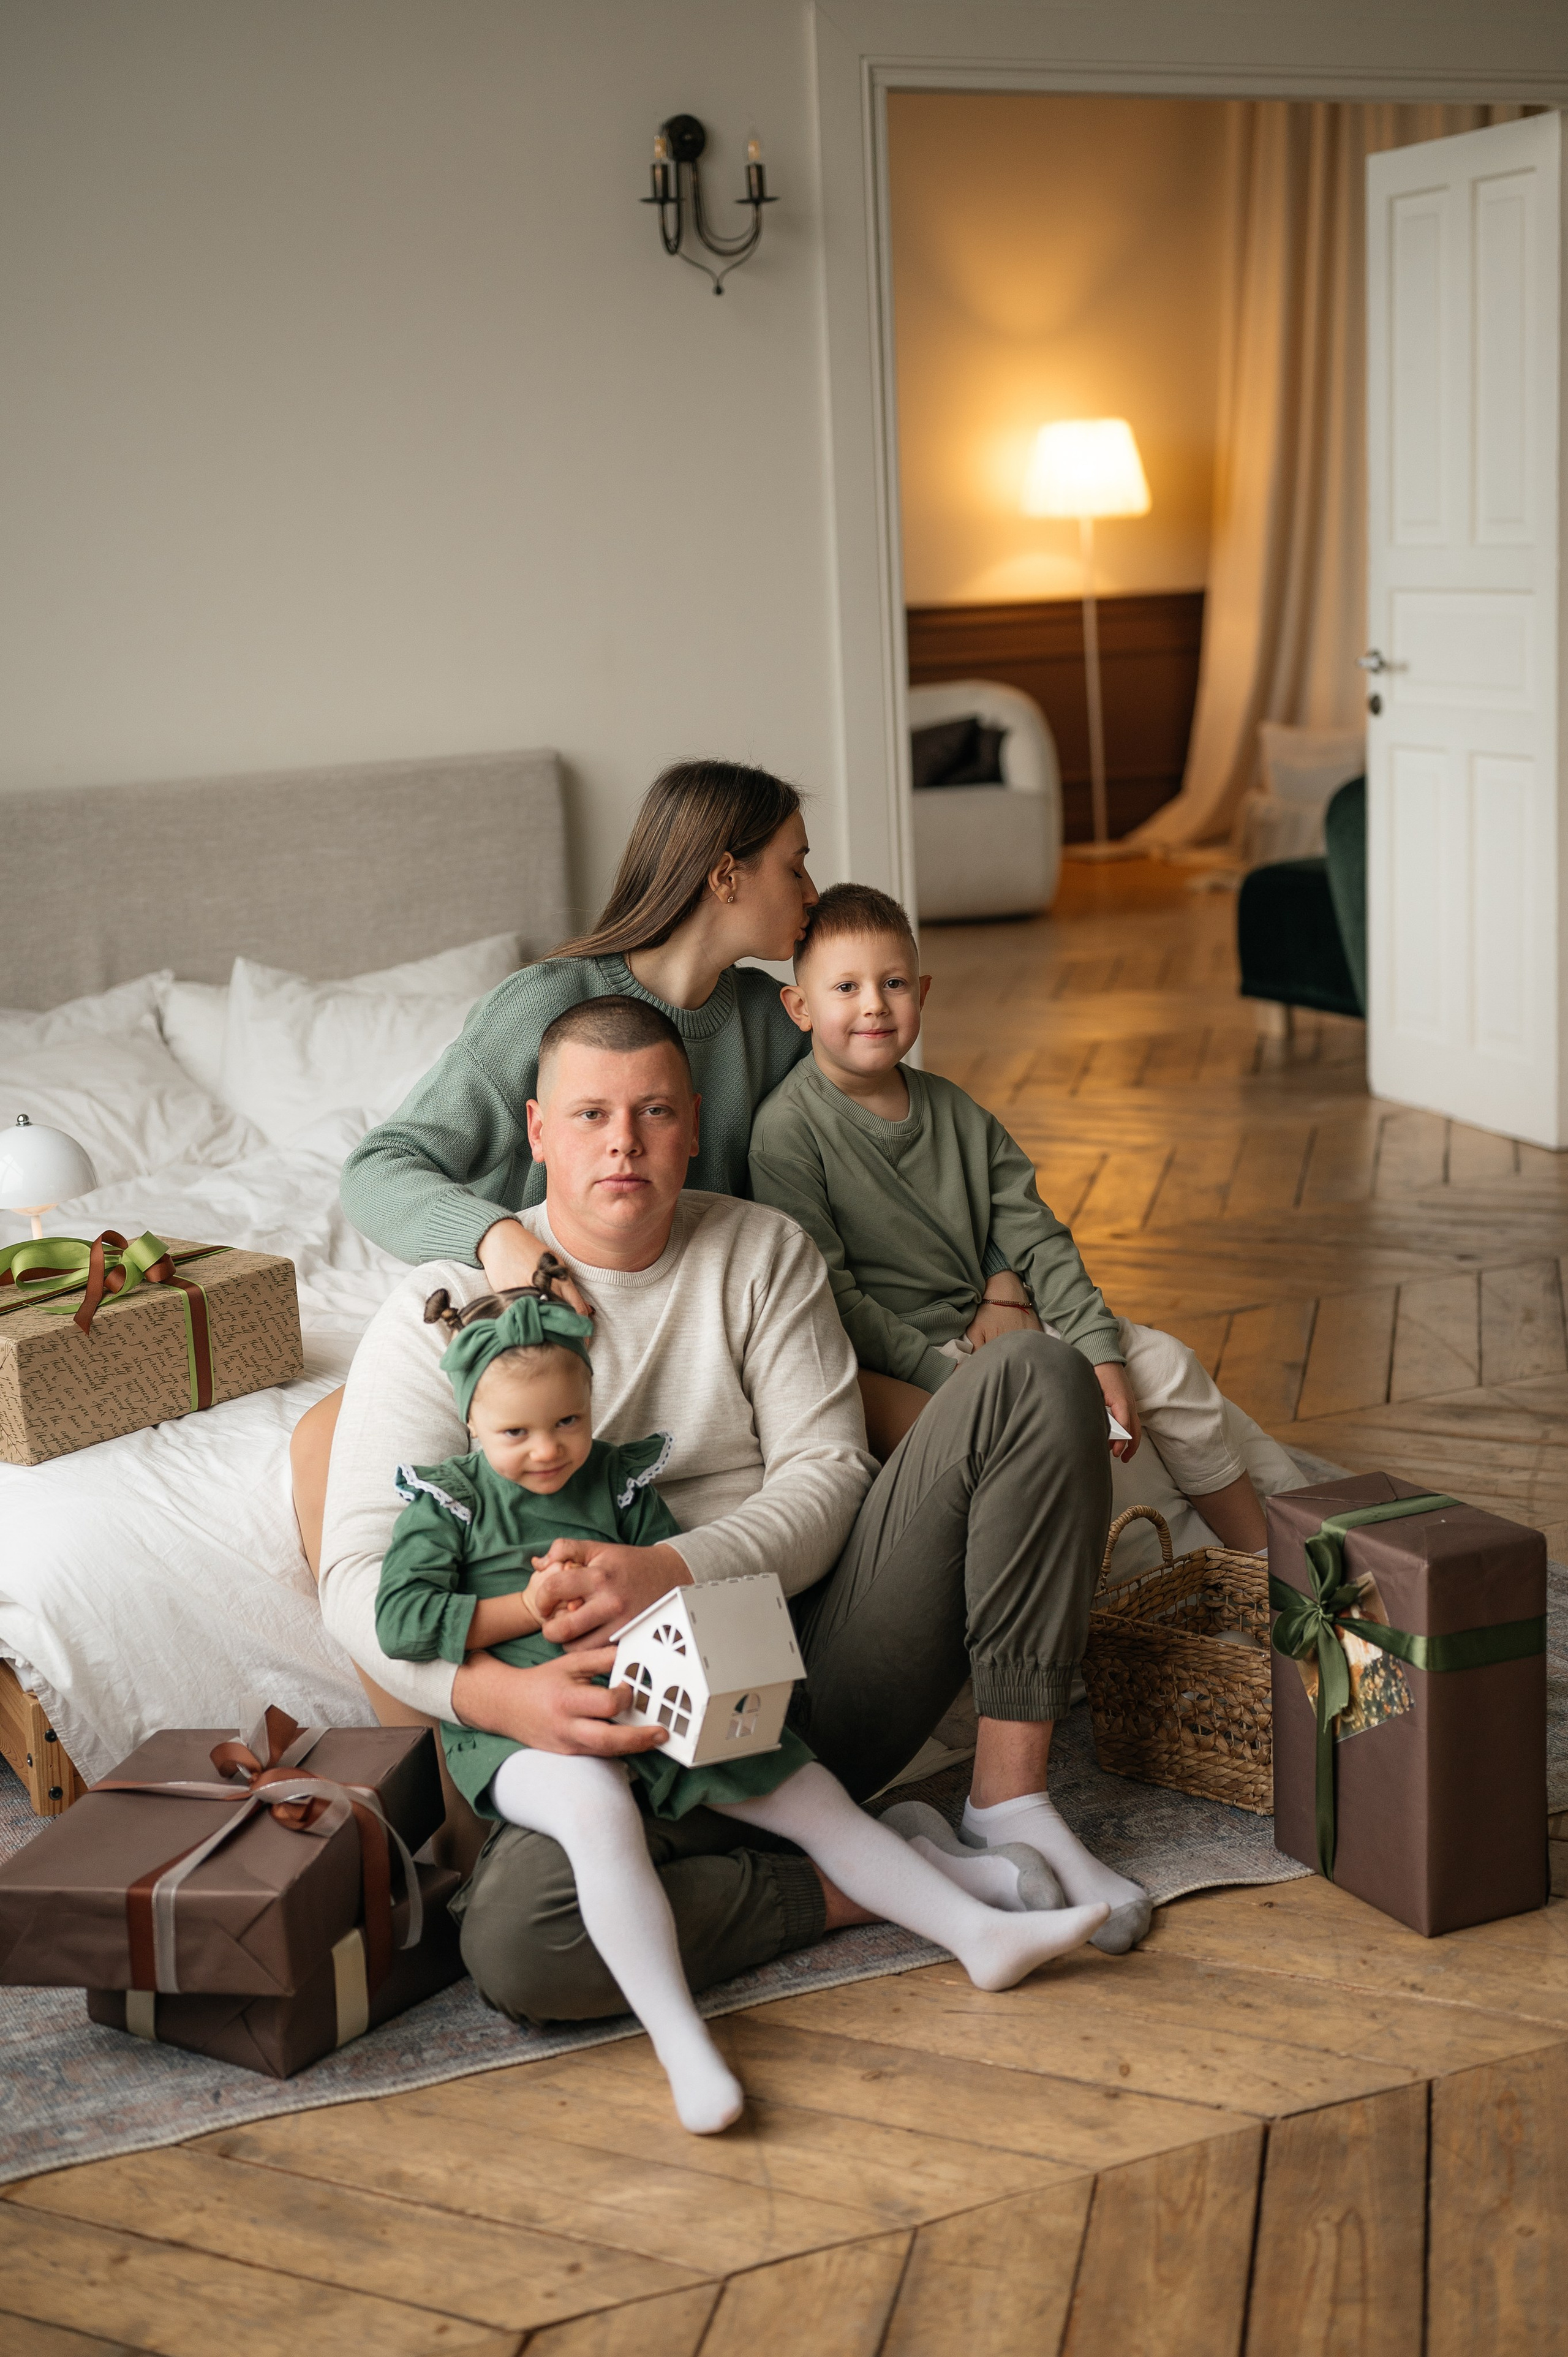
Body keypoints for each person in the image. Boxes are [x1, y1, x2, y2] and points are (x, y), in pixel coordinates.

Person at [316, 990, 1147, 2043]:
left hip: (805, 1672)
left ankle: (1011, 1803)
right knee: (523, 1946)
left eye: (655, 1112)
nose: (625, 1142)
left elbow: (831, 1473)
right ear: (535, 1131)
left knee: (1034, 1370)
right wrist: (498, 1697)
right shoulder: (435, 1309)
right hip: (591, 1735)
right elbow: (355, 1578)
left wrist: (668, 1565)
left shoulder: (762, 1250)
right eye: (590, 1115)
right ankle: (895, 1878)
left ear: (696, 1124)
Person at [374, 1260, 1107, 2133]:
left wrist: (667, 1627)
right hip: (529, 1740)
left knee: (808, 1791)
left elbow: (680, 1592)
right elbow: (401, 1620)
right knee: (596, 1811)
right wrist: (519, 1612)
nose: (548, 1451)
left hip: (651, 1692)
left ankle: (978, 1934)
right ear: (472, 1425)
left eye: (568, 1421)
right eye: (517, 1434)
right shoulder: (450, 1506)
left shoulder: (614, 1482)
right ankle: (684, 2044)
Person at [293, 757, 818, 1578]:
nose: (812, 891)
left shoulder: (773, 1024)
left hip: (688, 1333)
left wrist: (1001, 1275)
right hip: (529, 1340)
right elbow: (377, 1168)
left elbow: (901, 1131)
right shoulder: (546, 1004)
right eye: (796, 865)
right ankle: (425, 1705)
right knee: (322, 1442)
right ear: (727, 876)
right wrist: (500, 1240)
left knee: (925, 1422)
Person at [747, 882, 1270, 1553]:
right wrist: (947, 1380)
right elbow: (832, 1296)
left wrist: (1098, 1348)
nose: (874, 1003)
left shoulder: (956, 1110)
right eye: (845, 987)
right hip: (914, 1360)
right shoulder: (787, 1133)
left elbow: (1035, 1233)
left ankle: (1259, 1565)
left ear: (923, 993)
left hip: (1002, 1327)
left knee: (1167, 1365)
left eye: (894, 982)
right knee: (1037, 1443)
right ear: (799, 1006)